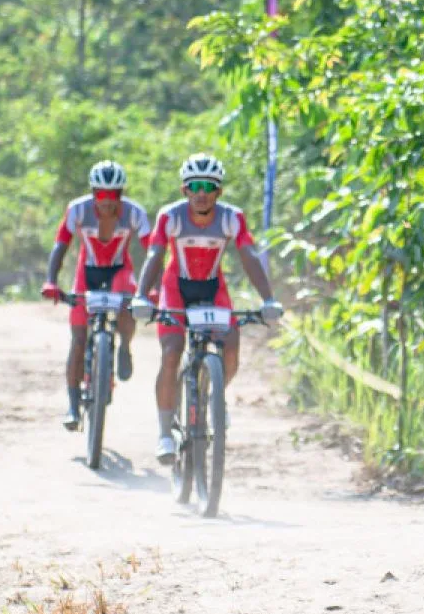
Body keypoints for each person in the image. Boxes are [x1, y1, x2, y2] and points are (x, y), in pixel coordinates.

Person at [133, 153, 283, 464]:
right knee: (172, 351)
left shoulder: (232, 218)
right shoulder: (170, 216)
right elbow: (155, 256)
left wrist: (268, 299)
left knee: (230, 344)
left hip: (213, 288)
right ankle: (164, 433)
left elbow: (249, 256)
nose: (202, 193)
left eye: (209, 186)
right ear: (184, 190)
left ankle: (216, 399)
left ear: (219, 192)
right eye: (195, 186)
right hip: (176, 288)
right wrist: (141, 296)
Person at [41, 160, 151, 430]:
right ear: (93, 193)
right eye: (101, 194)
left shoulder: (135, 213)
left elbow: (153, 252)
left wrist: (152, 289)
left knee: (129, 304)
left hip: (119, 270)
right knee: (78, 338)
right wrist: (51, 281)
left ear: (121, 195)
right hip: (87, 271)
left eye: (113, 195)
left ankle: (124, 345)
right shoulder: (77, 210)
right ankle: (72, 404)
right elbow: (61, 245)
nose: (107, 201)